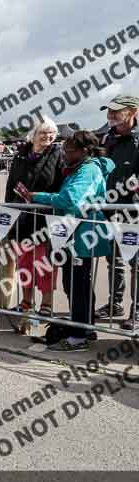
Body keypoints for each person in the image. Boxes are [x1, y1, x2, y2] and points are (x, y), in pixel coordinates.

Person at [16, 131, 113, 351]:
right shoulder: (79, 168)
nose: (64, 155)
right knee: (74, 284)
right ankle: (82, 327)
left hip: (82, 235)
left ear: (84, 151)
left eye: (68, 151)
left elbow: (70, 199)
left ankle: (80, 335)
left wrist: (38, 196)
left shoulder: (89, 170)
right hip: (72, 234)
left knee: (79, 285)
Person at [0, 118, 64, 319]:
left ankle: (46, 303)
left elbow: (60, 186)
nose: (48, 136)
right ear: (33, 135)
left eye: (51, 132)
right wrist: (9, 215)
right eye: (43, 133)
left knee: (45, 264)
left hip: (46, 219)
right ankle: (26, 301)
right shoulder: (20, 157)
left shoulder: (58, 155)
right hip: (22, 220)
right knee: (25, 263)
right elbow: (11, 188)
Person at [95, 95, 139, 327]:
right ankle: (115, 303)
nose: (110, 115)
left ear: (133, 112)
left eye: (116, 111)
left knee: (137, 264)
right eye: (109, 111)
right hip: (109, 212)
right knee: (114, 261)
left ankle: (137, 313)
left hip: (134, 213)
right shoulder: (107, 139)